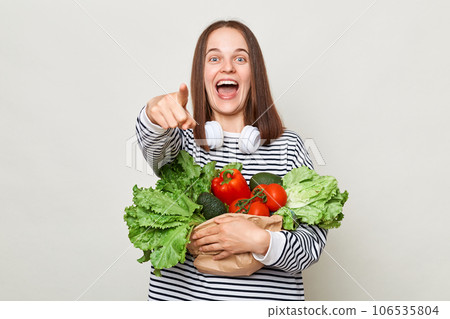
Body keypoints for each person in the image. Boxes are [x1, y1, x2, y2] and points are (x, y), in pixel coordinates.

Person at [136, 20, 327, 301]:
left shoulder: (289, 146)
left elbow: (312, 246)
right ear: (201, 74)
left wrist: (258, 240)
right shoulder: (181, 139)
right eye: (214, 58)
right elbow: (153, 146)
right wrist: (154, 113)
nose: (227, 67)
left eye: (240, 58)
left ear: (254, 74)